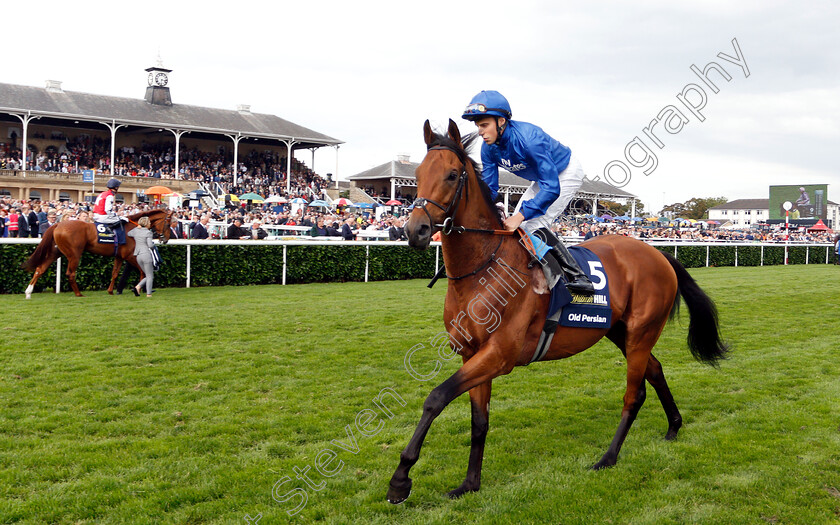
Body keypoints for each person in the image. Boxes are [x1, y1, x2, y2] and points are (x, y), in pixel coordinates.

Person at [462, 90, 594, 294]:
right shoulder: (488, 149)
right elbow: (490, 188)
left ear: (501, 121)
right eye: (478, 126)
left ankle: (576, 276)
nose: (480, 132)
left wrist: (520, 215)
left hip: (564, 172)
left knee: (533, 223)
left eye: (484, 125)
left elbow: (552, 187)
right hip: (542, 179)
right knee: (520, 225)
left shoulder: (529, 139)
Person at [127, 216, 156, 297]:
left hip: (138, 255)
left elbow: (129, 233)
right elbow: (150, 245)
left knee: (148, 274)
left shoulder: (136, 231)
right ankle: (148, 294)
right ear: (146, 224)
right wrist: (154, 246)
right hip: (146, 254)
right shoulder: (148, 232)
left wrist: (137, 227)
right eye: (149, 222)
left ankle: (138, 287)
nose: (150, 223)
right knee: (150, 276)